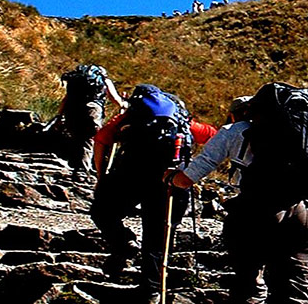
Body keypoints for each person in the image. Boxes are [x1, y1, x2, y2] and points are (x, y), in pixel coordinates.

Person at [166, 86, 308, 304]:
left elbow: (187, 179)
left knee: (249, 290)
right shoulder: (301, 134)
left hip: (258, 213)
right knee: (297, 296)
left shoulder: (234, 131)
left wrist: (171, 178)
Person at [91, 84, 216, 304]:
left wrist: (101, 176)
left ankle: (124, 243)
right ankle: (151, 290)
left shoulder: (132, 115)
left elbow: (101, 139)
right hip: (170, 180)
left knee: (102, 212)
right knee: (158, 235)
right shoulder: (181, 121)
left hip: (131, 176)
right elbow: (213, 137)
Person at [56, 64, 126, 172]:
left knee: (76, 138)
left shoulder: (76, 83)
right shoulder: (104, 80)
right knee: (88, 140)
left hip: (71, 110)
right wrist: (124, 103)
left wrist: (59, 116)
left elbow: (65, 99)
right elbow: (115, 99)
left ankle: (75, 168)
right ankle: (82, 172)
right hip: (91, 110)